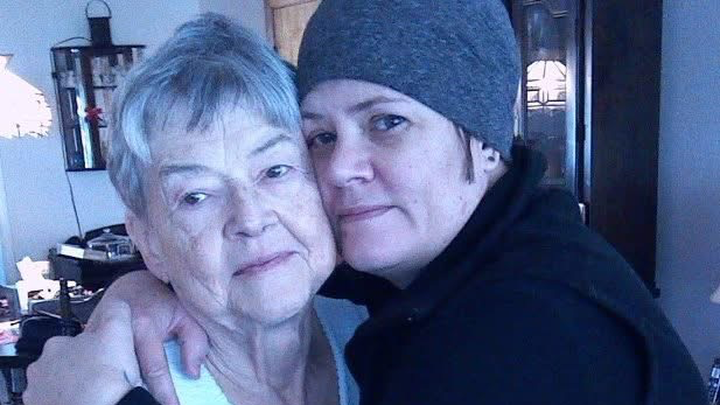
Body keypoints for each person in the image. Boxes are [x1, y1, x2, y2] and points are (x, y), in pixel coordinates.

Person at [25, 1, 707, 405]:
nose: (252, 217)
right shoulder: (382, 297)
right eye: (321, 137)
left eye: (387, 122)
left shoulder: (494, 339)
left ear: (485, 142)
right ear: (146, 233)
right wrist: (133, 292)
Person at [22, 14, 367, 405]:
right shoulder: (103, 391)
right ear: (149, 242)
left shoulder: (382, 330)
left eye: (275, 171)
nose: (251, 219)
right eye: (196, 197)